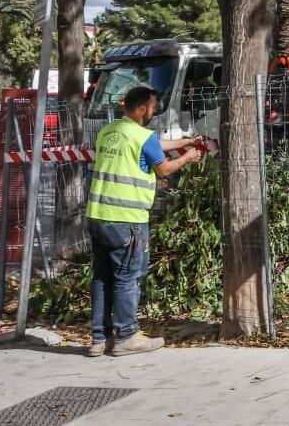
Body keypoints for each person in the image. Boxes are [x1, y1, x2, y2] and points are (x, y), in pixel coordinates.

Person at [86, 86, 203, 357]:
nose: (154, 111)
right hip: (127, 219)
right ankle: (127, 335)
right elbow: (163, 167)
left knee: (102, 278)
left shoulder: (110, 131)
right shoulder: (143, 136)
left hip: (98, 216)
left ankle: (99, 339)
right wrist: (188, 156)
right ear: (141, 109)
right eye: (152, 107)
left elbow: (152, 145)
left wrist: (185, 140)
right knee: (127, 277)